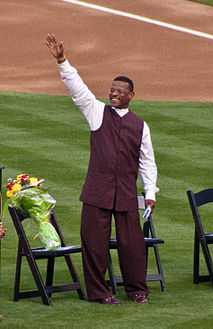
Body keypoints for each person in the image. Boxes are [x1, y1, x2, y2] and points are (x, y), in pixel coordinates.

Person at [46, 33, 159, 305]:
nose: (113, 93)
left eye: (119, 91)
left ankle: (137, 289)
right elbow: (78, 89)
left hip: (126, 195)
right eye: (111, 90)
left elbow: (147, 161)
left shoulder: (141, 125)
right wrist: (62, 61)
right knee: (94, 245)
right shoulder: (96, 111)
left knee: (132, 246)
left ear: (132, 95)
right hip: (97, 193)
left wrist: (151, 191)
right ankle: (99, 292)